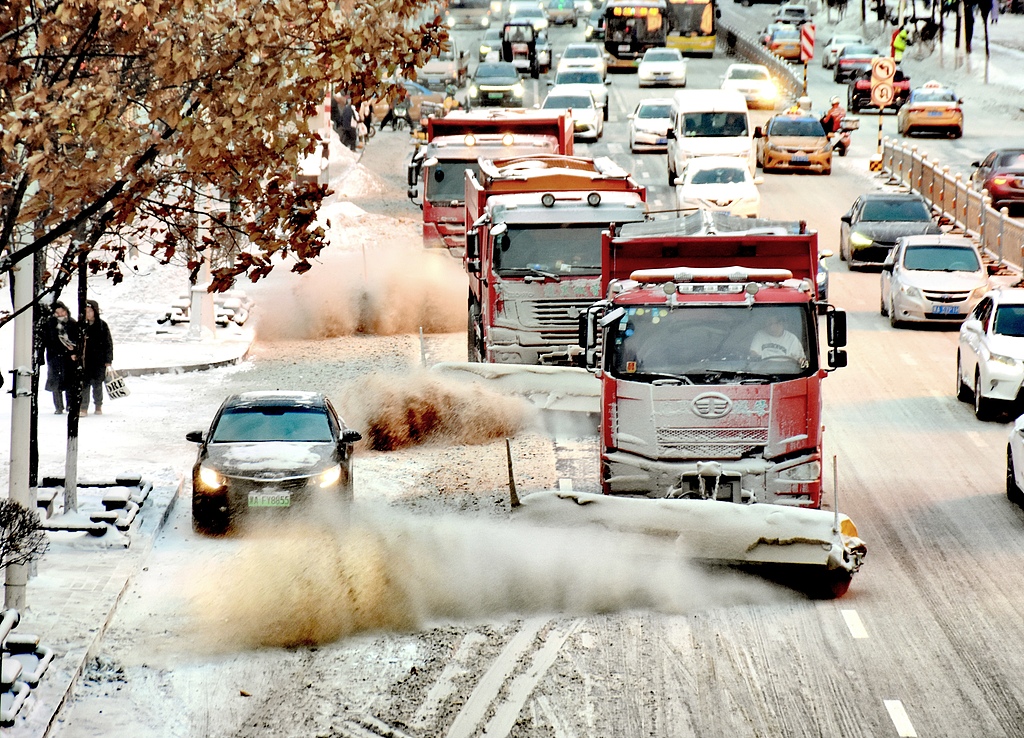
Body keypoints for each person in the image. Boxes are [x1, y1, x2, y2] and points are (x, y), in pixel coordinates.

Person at [42, 301, 79, 414]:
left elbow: (77, 340)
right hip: (54, 357)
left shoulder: (72, 324)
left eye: (62, 311)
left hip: (69, 357)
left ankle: (69, 405)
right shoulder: (50, 324)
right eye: (57, 312)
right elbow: (46, 340)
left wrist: (74, 351)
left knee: (69, 382)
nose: (60, 314)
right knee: (55, 383)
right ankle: (58, 406)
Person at [79, 299, 114, 416]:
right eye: (86, 311)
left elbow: (108, 343)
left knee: (97, 385)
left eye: (90, 311)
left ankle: (98, 405)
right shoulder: (82, 325)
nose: (88, 314)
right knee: (85, 385)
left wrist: (108, 360)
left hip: (98, 361)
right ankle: (84, 407)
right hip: (85, 360)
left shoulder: (102, 326)